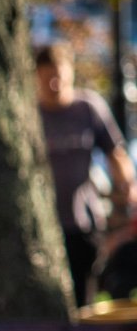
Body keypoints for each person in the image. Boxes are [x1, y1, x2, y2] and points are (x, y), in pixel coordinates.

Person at [35, 42, 137, 307]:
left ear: (70, 73)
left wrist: (127, 186)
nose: (55, 84)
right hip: (43, 222)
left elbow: (115, 152)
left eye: (59, 76)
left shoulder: (88, 107)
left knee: (84, 297)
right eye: (48, 78)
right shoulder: (31, 114)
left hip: (83, 220)